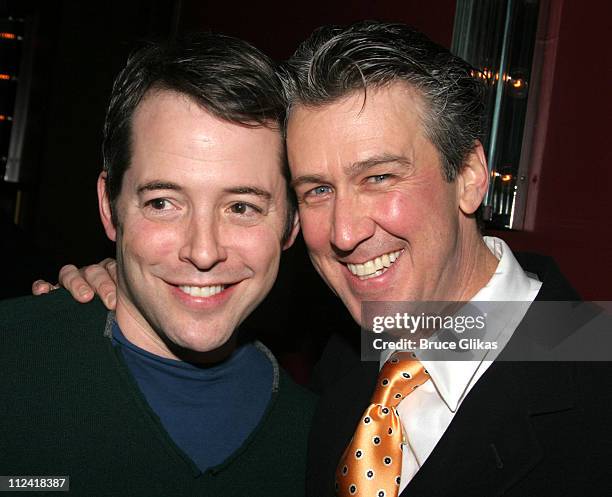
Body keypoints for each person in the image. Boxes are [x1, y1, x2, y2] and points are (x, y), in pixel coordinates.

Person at [33, 21, 612, 497]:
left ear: (470, 176)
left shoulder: (592, 387)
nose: (343, 231)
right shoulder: (338, 372)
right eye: (316, 190)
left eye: (379, 176)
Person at [1, 32, 316, 497]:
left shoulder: (325, 438)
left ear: (291, 225)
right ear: (111, 209)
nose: (203, 251)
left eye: (242, 207)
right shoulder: (12, 362)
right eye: (164, 202)